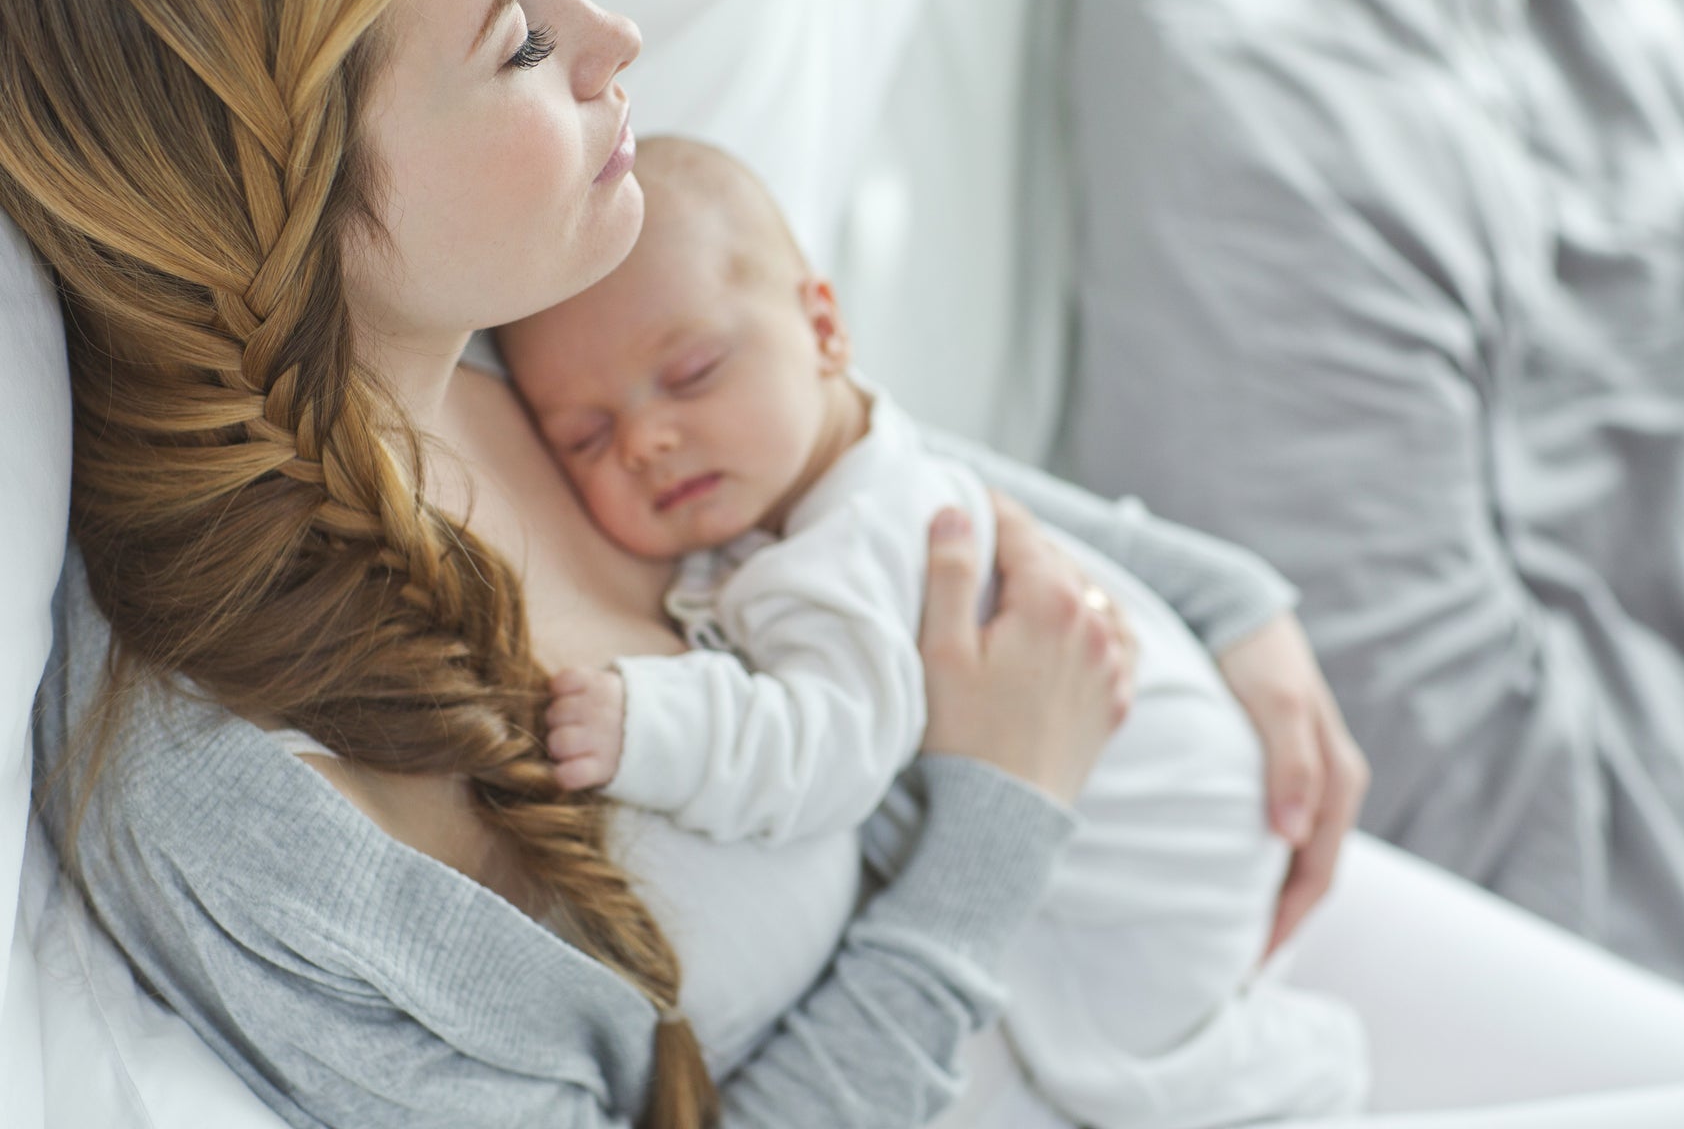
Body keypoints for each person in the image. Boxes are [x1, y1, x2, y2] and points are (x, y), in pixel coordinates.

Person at [9, 0, 1684, 1126]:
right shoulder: (257, 819)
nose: (616, 42)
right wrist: (1003, 801)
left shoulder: (511, 340)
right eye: (523, 37)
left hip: (1140, 883)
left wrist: (1219, 593)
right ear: (289, 197)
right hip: (1027, 989)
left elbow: (842, 440)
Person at [494, 134, 1369, 1129]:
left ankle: (1293, 1072)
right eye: (585, 437)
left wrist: (652, 722)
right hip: (1185, 788)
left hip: (1166, 851)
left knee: (1135, 1072)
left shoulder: (847, 548)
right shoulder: (828, 455)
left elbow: (831, 743)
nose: (647, 438)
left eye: (691, 373)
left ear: (825, 327)